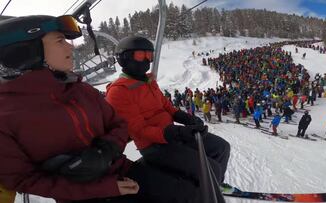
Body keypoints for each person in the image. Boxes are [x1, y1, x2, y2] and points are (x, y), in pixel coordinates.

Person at [0, 15, 197, 203]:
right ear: (27, 52)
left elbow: (118, 124)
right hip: (82, 195)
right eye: (60, 41)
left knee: (189, 195)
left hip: (124, 170)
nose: (69, 46)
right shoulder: (6, 115)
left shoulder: (81, 90)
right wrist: (104, 187)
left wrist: (107, 149)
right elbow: (22, 179)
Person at [106, 36, 230, 189]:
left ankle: (213, 185)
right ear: (124, 58)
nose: (146, 60)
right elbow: (139, 130)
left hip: (172, 136)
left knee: (221, 147)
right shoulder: (119, 91)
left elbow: (166, 106)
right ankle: (203, 189)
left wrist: (185, 118)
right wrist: (176, 132)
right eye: (141, 55)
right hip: (154, 146)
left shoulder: (148, 81)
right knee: (211, 169)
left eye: (149, 55)